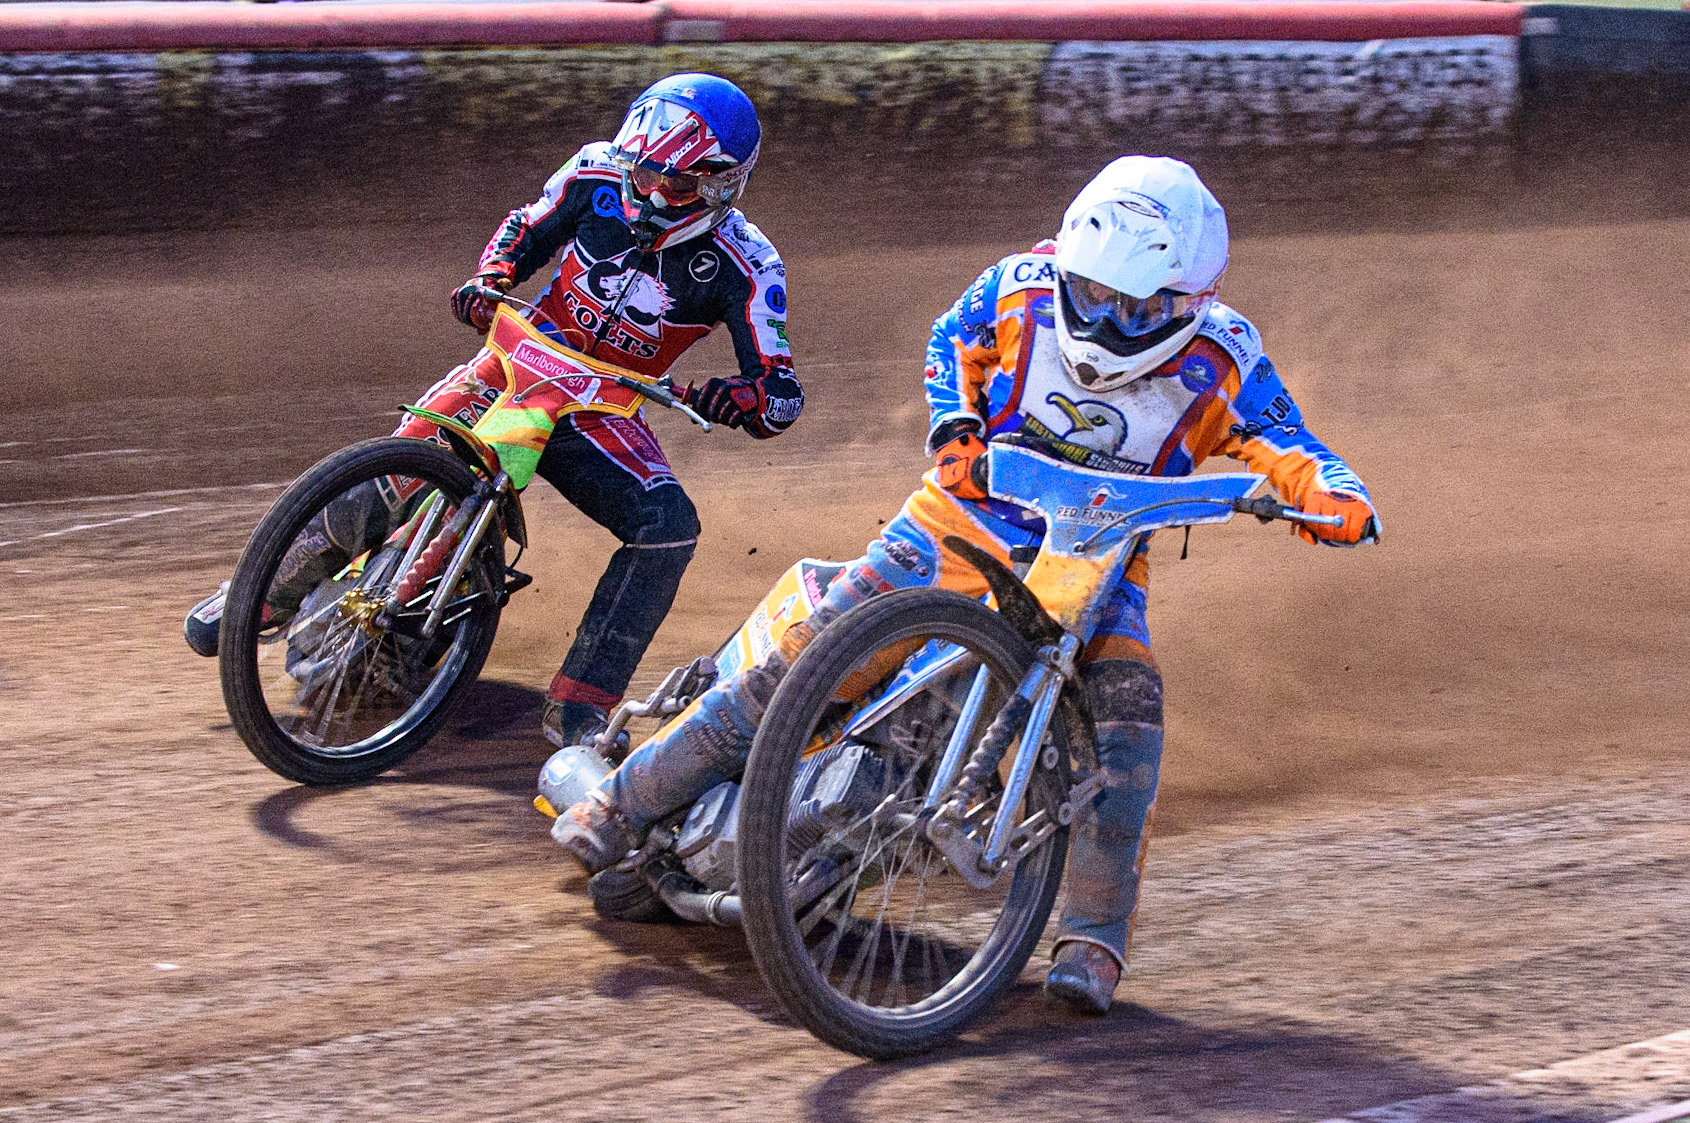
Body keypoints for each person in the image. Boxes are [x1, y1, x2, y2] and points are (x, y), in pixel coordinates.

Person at [551, 155, 1378, 1014]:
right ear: (1065, 262)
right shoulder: (1019, 288)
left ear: (1189, 305)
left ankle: (1094, 939)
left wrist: (1333, 496)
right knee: (803, 662)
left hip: (1098, 562)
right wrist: (955, 424)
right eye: (1092, 294)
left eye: (1135, 309)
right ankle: (623, 799)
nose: (1106, 320)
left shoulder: (1225, 357)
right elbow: (953, 337)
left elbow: (1289, 442)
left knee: (1128, 719)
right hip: (954, 525)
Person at [184, 73, 803, 750]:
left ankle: (580, 709)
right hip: (519, 360)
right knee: (408, 458)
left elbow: (781, 392)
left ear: (723, 187)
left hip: (604, 406)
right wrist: (492, 278)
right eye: (643, 172)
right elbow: (526, 229)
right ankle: (259, 592)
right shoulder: (594, 171)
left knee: (670, 527)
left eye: (676, 186)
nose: (650, 194)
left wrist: (745, 397)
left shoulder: (751, 265)